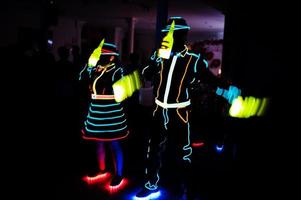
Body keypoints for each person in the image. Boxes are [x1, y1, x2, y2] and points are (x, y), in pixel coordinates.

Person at [135, 16, 239, 199]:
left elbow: (209, 79)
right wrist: (156, 60)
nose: (167, 37)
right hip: (159, 111)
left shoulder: (193, 60)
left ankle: (185, 187)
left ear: (182, 36)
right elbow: (147, 75)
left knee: (183, 152)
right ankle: (151, 184)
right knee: (153, 151)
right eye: (166, 33)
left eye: (171, 34)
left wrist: (228, 89)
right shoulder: (159, 55)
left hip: (180, 113)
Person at [79, 40, 129, 190]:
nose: (101, 57)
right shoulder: (95, 69)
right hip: (96, 110)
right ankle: (102, 169)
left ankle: (119, 174)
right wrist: (89, 65)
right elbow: (81, 77)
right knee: (99, 142)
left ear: (112, 57)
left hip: (111, 111)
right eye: (100, 55)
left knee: (114, 143)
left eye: (104, 55)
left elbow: (122, 89)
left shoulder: (117, 70)